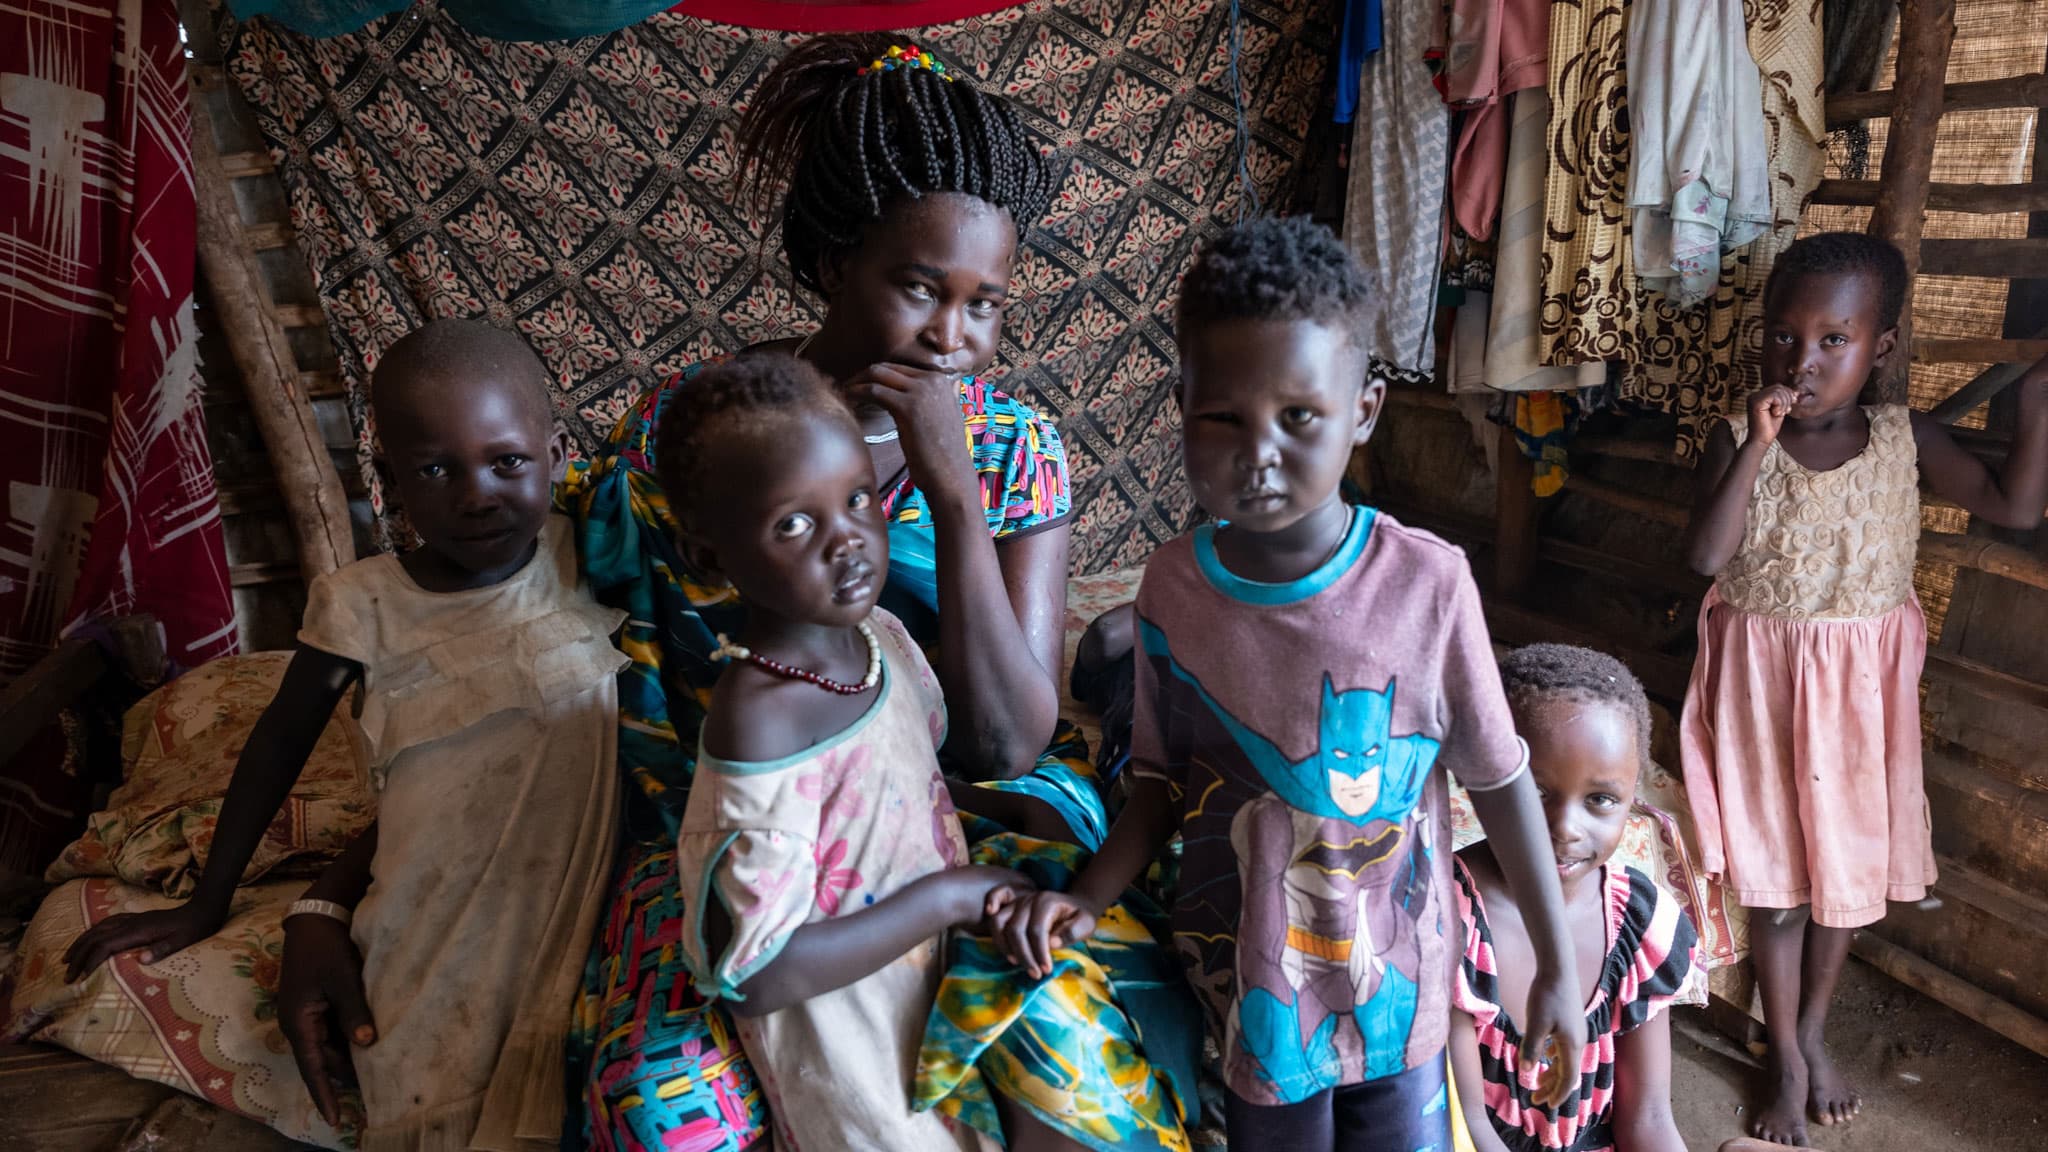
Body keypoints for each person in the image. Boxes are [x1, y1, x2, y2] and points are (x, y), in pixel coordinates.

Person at [552, 36, 1193, 1152]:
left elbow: (1005, 743)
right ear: (834, 259)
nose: (954, 336)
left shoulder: (1005, 451)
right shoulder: (695, 435)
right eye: (917, 288)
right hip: (751, 835)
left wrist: (951, 492)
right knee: (664, 1106)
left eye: (984, 303)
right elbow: (630, 693)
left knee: (1075, 1066)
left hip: (963, 822)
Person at [991, 216, 1587, 1152]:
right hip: (1254, 995)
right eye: (1222, 416)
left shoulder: (1428, 585)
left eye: (1298, 416)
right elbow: (1155, 781)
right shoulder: (1172, 589)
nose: (1257, 450)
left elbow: (1499, 777)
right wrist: (1086, 897)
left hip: (1399, 998)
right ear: (1180, 403)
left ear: (1364, 409)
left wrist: (1555, 960)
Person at [61, 319, 629, 1151]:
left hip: (579, 903)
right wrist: (207, 901)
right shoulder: (362, 603)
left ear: (555, 452)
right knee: (432, 1101)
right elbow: (275, 746)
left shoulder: (596, 556)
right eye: (436, 469)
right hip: (427, 919)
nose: (477, 494)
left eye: (507, 461)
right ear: (392, 479)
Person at [1682, 231, 2048, 1146]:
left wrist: (2038, 406)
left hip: (1859, 697)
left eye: (1832, 341)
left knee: (1838, 871)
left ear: (1880, 347)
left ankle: (1812, 1027)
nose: (1799, 361)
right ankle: (1786, 1054)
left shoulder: (1904, 438)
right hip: (1759, 686)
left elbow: (2013, 506)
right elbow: (1703, 557)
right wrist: (1759, 445)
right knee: (1775, 879)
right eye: (1781, 336)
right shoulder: (1734, 437)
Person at [659, 352, 1035, 1150]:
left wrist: (1005, 820)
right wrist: (952, 896)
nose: (849, 541)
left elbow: (890, 790)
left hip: (934, 1008)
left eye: (858, 498)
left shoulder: (877, 641)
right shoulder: (760, 723)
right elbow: (756, 975)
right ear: (709, 557)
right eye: (795, 523)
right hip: (856, 1070)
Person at [1448, 644, 1701, 1152]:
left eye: (1601, 800)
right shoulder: (1449, 923)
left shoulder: (1638, 924)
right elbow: (1468, 1127)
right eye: (1536, 792)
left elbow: (1647, 1117)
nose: (1564, 828)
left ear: (1634, 798)